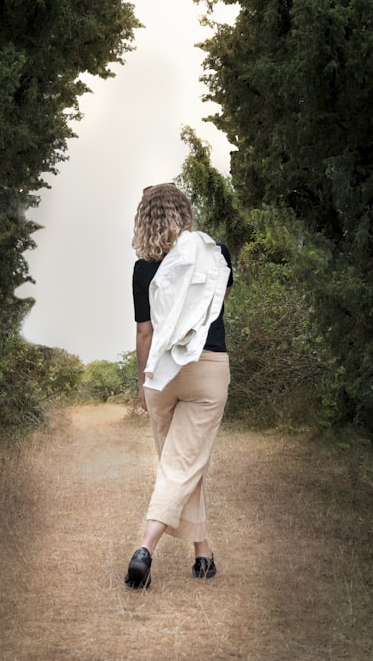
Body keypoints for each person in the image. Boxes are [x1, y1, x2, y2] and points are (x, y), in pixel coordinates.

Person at [124, 183, 233, 589]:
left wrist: (143, 382)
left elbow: (144, 334)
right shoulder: (216, 253)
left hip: (163, 374)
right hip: (207, 367)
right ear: (185, 213)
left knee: (182, 463)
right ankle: (146, 548)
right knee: (185, 464)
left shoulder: (142, 269)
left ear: (144, 219)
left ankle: (202, 554)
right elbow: (215, 303)